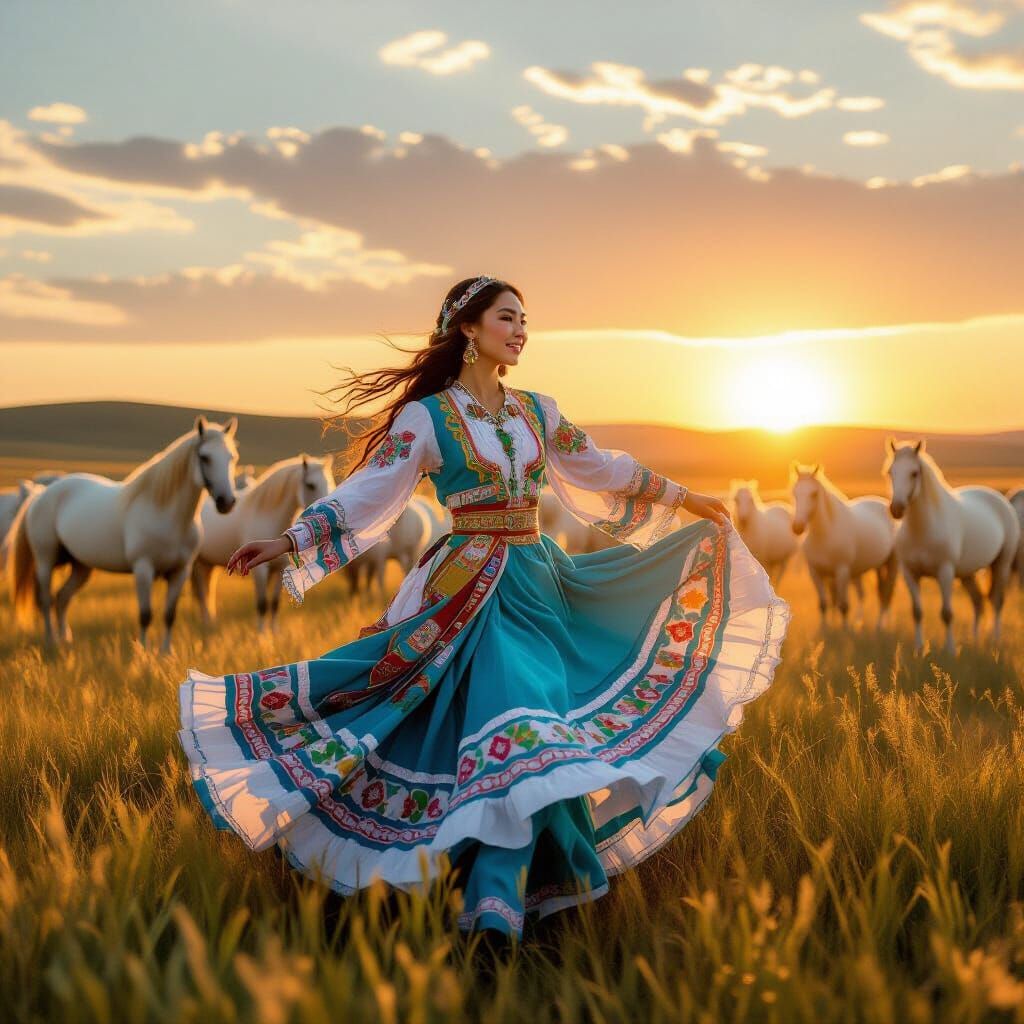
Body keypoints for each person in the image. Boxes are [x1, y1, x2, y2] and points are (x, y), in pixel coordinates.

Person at [177, 275, 792, 941]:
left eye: (525, 319)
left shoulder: (537, 411)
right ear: (469, 329)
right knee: (517, 731)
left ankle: (507, 896)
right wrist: (293, 540)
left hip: (541, 585)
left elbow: (600, 468)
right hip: (465, 590)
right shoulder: (428, 418)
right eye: (507, 317)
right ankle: (493, 904)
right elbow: (369, 490)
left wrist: (685, 498)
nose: (521, 330)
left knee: (538, 736)